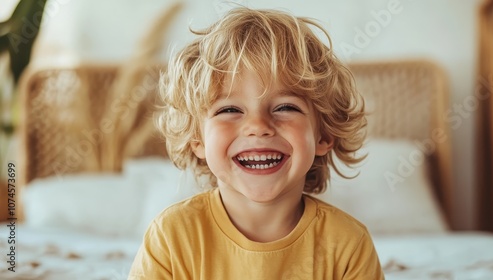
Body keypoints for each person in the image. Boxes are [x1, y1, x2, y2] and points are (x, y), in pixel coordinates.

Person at [129, 7, 384, 280]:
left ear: (323, 136)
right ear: (197, 140)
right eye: (229, 110)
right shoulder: (171, 238)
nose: (258, 127)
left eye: (286, 107)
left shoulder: (348, 245)